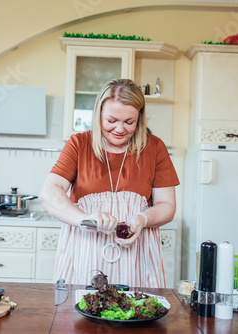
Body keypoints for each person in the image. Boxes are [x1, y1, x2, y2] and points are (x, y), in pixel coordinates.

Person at [39, 78, 179, 288]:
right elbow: (49, 193)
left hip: (137, 256)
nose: (120, 129)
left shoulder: (155, 148)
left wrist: (142, 218)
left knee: (137, 315)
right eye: (111, 121)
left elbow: (167, 206)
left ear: (139, 118)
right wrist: (85, 218)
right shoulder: (79, 144)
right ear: (98, 115)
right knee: (80, 315)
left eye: (129, 122)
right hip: (84, 251)